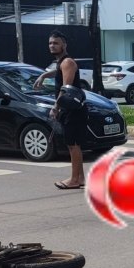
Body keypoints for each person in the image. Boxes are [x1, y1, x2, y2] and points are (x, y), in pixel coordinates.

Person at [45, 31, 85, 190]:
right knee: (73, 144)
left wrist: (56, 107)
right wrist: (44, 75)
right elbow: (59, 71)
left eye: (56, 43)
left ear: (64, 45)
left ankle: (74, 179)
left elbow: (66, 88)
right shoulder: (62, 62)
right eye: (50, 43)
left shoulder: (67, 62)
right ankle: (80, 178)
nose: (52, 46)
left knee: (73, 145)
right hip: (70, 109)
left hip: (72, 110)